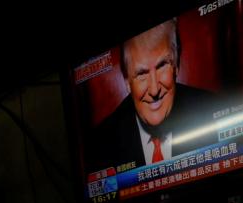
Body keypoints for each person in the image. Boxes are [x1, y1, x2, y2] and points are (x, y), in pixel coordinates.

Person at [91, 19, 217, 169]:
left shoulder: (212, 112)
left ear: (176, 65)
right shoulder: (100, 143)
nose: (154, 90)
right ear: (126, 80)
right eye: (141, 73)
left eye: (162, 65)